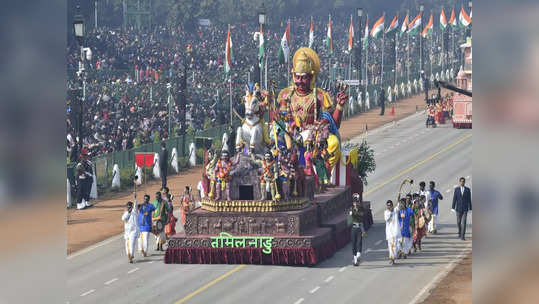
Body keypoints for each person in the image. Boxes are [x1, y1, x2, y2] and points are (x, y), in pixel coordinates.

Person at [349, 193, 366, 266]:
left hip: (359, 227)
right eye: (354, 202)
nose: (355, 204)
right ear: (353, 203)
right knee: (353, 243)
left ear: (358, 202)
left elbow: (361, 216)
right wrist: (350, 216)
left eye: (357, 202)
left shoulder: (361, 208)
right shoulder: (351, 209)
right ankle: (355, 259)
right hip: (353, 228)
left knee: (359, 242)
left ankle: (358, 254)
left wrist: (354, 213)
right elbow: (349, 220)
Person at [121, 197, 139, 263]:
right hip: (127, 232)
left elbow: (136, 205)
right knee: (127, 245)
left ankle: (131, 255)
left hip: (133, 231)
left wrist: (135, 198)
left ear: (132, 207)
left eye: (130, 207)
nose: (128, 208)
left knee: (131, 243)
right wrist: (128, 212)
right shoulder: (125, 213)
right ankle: (129, 255)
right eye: (127, 207)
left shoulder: (135, 212)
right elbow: (123, 219)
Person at [384, 200, 400, 265]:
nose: (389, 206)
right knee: (390, 247)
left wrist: (398, 200)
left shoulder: (396, 211)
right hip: (389, 233)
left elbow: (399, 206)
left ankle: (393, 258)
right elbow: (387, 220)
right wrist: (391, 214)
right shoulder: (386, 212)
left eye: (390, 205)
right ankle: (392, 258)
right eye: (388, 205)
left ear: (392, 205)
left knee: (394, 246)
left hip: (395, 232)